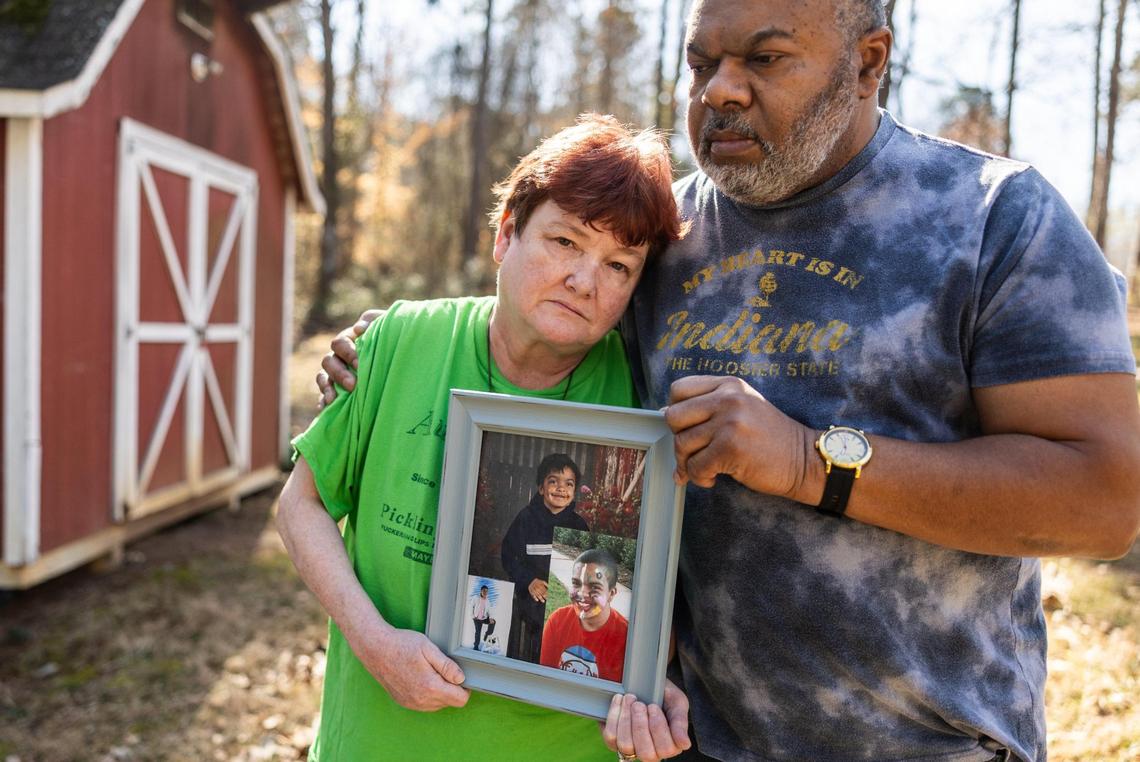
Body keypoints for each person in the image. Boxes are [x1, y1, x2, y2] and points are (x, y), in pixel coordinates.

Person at [318, 3, 1140, 760]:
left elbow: (1106, 499)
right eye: (700, 63)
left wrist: (808, 461)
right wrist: (388, 344)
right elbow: (547, 315)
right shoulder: (664, 236)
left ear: (867, 62)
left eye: (765, 59)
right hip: (685, 741)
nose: (721, 92)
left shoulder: (993, 218)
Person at [278, 114, 692, 762]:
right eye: (564, 241)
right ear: (506, 236)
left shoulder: (644, 397)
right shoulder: (398, 341)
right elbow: (299, 506)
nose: (585, 280)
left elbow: (650, 581)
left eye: (618, 264)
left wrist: (649, 684)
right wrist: (373, 641)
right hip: (377, 740)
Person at [500, 453, 589, 663]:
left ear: (574, 492)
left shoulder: (579, 526)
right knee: (529, 654)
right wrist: (528, 580)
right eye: (553, 482)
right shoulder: (526, 519)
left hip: (564, 605)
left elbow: (586, 567)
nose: (561, 488)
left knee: (560, 653)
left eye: (568, 484)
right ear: (541, 488)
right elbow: (508, 556)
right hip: (530, 602)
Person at [540, 548, 629, 682]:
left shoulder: (626, 638)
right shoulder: (557, 621)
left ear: (611, 593)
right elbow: (544, 679)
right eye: (576, 583)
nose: (582, 594)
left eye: (594, 587)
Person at [471, 584, 495, 651]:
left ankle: (486, 635)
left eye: (487, 591)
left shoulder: (487, 601)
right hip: (477, 619)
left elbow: (490, 610)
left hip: (484, 618)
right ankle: (476, 646)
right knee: (478, 632)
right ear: (481, 591)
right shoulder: (476, 598)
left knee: (493, 622)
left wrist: (491, 618)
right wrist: (473, 616)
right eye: (484, 591)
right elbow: (471, 607)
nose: (485, 592)